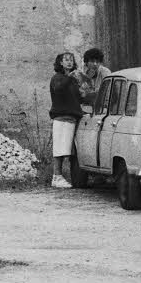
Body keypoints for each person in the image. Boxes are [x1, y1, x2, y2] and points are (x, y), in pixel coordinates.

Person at [49, 52, 83, 188]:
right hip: (61, 118)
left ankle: (60, 177)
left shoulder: (72, 80)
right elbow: (59, 89)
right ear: (60, 63)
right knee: (59, 149)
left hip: (72, 118)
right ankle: (56, 177)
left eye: (71, 60)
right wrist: (70, 78)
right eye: (66, 60)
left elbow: (78, 98)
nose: (69, 62)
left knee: (67, 149)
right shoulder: (57, 78)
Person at [76, 47, 110, 113]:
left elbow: (109, 94)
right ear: (86, 62)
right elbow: (78, 96)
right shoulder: (80, 74)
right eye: (92, 61)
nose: (95, 64)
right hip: (85, 110)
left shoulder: (105, 72)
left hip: (103, 109)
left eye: (97, 62)